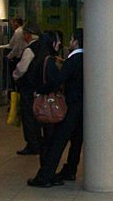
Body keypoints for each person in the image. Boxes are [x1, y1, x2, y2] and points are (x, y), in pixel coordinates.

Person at [28, 29, 84, 187]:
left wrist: (41, 90)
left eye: (71, 39)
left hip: (71, 107)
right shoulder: (88, 58)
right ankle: (70, 169)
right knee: (77, 141)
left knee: (58, 142)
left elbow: (58, 80)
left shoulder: (73, 60)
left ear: (76, 41)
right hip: (83, 108)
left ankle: (45, 176)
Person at [12, 22, 42, 154]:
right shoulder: (43, 47)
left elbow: (22, 68)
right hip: (38, 87)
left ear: (29, 35)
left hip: (28, 88)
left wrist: (15, 75)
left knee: (28, 116)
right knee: (36, 117)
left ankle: (32, 144)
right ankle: (38, 142)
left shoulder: (29, 50)